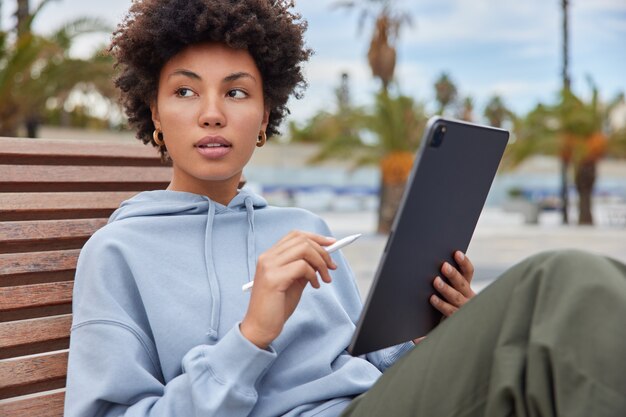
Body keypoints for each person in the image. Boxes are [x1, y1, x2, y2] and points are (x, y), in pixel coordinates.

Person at [64, 1, 626, 416]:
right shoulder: (118, 254)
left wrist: (433, 336)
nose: (212, 113)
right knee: (561, 279)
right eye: (185, 92)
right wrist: (250, 337)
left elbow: (365, 366)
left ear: (264, 117)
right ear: (155, 114)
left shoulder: (305, 229)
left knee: (569, 303)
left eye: (236, 92)